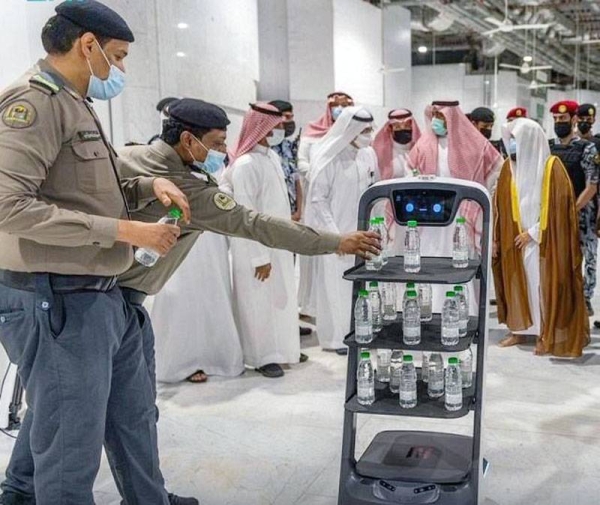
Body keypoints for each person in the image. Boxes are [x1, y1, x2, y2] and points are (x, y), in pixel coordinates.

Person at [0, 95, 381, 502]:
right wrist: (335, 242)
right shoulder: (187, 188)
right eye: (216, 144)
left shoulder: (124, 157)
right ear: (188, 140)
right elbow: (255, 224)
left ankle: (50, 492)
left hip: (87, 295)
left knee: (75, 407)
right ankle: (29, 492)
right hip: (86, 302)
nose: (222, 153)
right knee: (76, 419)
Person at [0, 1, 196, 504]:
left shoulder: (75, 101)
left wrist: (147, 185)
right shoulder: (35, 102)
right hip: (58, 297)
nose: (121, 69)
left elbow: (82, 190)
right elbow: (8, 208)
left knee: (128, 416)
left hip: (100, 293)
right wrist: (125, 231)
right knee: (69, 445)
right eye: (118, 55)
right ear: (87, 45)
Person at [493, 118, 589, 356]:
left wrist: (534, 233)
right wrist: (498, 238)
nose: (511, 145)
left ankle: (544, 333)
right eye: (510, 140)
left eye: (516, 140)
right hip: (512, 241)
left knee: (540, 287)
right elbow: (500, 208)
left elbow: (559, 209)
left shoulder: (551, 167)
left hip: (543, 243)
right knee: (517, 283)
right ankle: (518, 330)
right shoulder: (508, 168)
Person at [408, 100, 503, 314]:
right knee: (429, 265)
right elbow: (410, 173)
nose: (436, 122)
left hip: (460, 218)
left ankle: (461, 315)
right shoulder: (423, 145)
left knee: (458, 265)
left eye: (441, 117)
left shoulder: (474, 145)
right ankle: (429, 312)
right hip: (429, 220)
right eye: (434, 117)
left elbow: (495, 171)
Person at [306, 106, 378, 354]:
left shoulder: (368, 154)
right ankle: (337, 339)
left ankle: (361, 331)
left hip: (363, 233)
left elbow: (374, 189)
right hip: (336, 235)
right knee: (336, 287)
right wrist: (335, 237)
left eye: (371, 128)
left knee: (361, 287)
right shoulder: (329, 157)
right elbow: (318, 200)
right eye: (364, 130)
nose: (369, 134)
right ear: (350, 130)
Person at [297, 91, 354, 319]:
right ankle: (309, 306)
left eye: (344, 105)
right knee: (312, 258)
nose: (339, 109)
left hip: (339, 203)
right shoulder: (312, 133)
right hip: (315, 201)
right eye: (335, 105)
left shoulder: (351, 136)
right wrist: (314, 172)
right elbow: (301, 160)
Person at [549, 100, 600, 316]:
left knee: (587, 257)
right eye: (556, 119)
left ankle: (585, 298)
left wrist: (573, 210)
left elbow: (592, 186)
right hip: (555, 214)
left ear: (573, 119)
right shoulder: (549, 148)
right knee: (559, 258)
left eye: (563, 118)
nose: (559, 122)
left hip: (582, 214)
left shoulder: (587, 148)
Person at [372, 108, 421, 254]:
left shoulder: (420, 149)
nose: (403, 129)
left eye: (406, 125)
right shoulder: (379, 152)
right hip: (389, 210)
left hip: (417, 210)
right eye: (398, 126)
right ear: (390, 127)